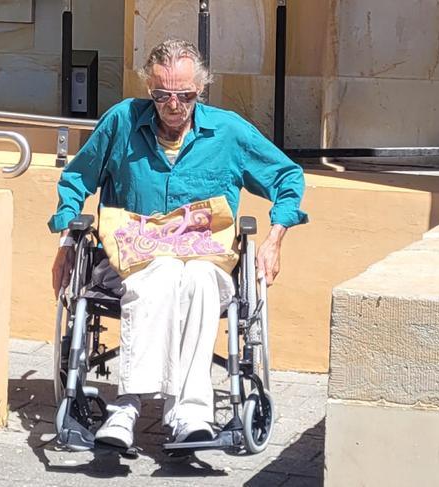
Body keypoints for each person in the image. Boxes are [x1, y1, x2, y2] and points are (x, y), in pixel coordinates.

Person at [49, 39, 307, 449]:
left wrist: (276, 239)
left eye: (184, 95)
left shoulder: (227, 132)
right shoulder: (121, 122)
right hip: (131, 261)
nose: (173, 105)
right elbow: (77, 179)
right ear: (148, 88)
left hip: (206, 260)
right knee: (165, 271)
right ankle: (129, 405)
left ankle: (189, 412)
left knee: (200, 280)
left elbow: (287, 178)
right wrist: (66, 241)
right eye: (161, 95)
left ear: (201, 88)